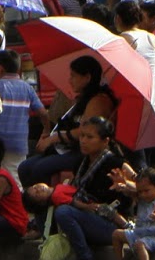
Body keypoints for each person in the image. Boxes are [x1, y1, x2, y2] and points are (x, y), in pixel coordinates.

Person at [47, 116, 131, 260]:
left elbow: (140, 187)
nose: (83, 141)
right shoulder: (81, 162)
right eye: (82, 136)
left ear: (105, 141)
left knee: (64, 212)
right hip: (87, 215)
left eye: (90, 137)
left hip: (112, 224)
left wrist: (126, 185)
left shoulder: (116, 164)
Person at [18, 56, 117, 188]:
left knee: (40, 168)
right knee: (24, 167)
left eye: (73, 76)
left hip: (84, 151)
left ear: (87, 77)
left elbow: (84, 131)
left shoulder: (99, 101)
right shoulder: (82, 99)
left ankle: (48, 198)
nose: (70, 80)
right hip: (67, 148)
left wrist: (54, 138)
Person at [0, 50, 44, 177]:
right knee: (15, 177)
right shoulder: (27, 88)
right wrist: (46, 131)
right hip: (19, 144)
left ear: (0, 68)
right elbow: (43, 113)